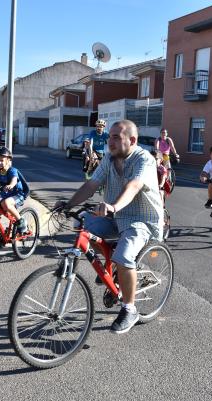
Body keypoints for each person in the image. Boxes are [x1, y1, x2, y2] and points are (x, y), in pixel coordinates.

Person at [56, 120, 163, 335]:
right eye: (110, 136)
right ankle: (109, 264)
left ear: (132, 140)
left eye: (116, 137)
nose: (110, 141)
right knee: (82, 223)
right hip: (114, 216)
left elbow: (133, 186)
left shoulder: (145, 159)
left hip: (141, 219)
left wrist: (114, 206)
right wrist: (68, 204)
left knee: (124, 256)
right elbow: (91, 185)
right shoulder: (109, 159)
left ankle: (129, 309)